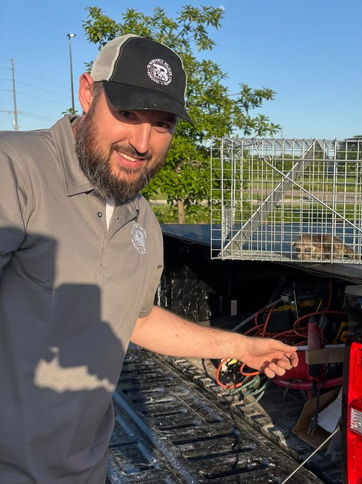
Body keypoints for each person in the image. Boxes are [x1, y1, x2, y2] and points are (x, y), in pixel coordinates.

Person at [0, 34, 298, 484]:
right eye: (127, 114)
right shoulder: (15, 169)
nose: (142, 142)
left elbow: (134, 318)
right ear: (87, 93)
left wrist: (242, 346)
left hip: (83, 469)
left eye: (162, 124)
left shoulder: (142, 218)